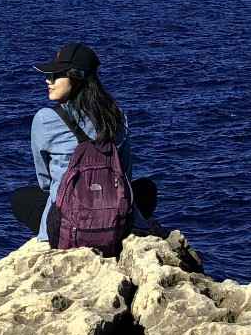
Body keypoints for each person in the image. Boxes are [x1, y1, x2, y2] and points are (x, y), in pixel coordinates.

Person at [18, 41, 157, 246]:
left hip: (68, 228)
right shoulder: (116, 116)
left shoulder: (45, 118)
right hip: (114, 224)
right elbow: (125, 173)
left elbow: (45, 182)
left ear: (77, 76)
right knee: (146, 188)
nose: (48, 80)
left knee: (21, 198)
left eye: (56, 75)